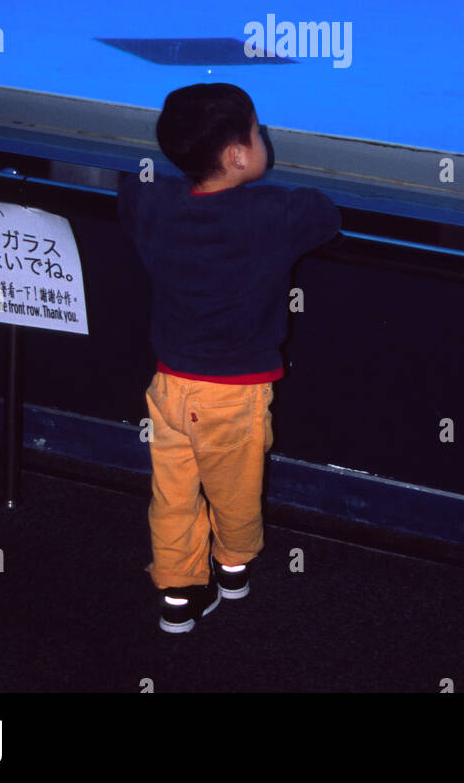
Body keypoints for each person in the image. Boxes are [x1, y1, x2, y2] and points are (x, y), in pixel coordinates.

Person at [117, 83, 342, 633]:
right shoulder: (273, 215)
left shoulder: (154, 207)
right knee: (234, 492)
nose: (263, 136)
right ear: (238, 155)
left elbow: (130, 191)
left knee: (172, 494)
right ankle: (234, 570)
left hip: (168, 388)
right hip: (233, 398)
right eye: (257, 130)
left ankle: (178, 594)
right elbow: (325, 214)